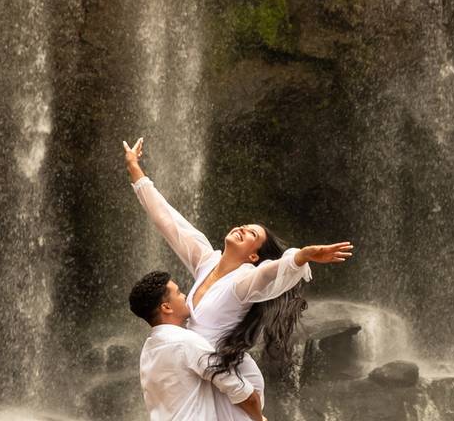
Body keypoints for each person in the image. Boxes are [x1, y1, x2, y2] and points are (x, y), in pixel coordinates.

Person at [123, 137, 353, 421]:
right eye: (244, 225)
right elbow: (169, 223)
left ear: (254, 255)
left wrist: (301, 256)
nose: (243, 229)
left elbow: (270, 271)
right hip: (202, 373)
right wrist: (135, 169)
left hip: (224, 376)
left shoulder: (243, 281)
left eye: (252, 234)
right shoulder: (206, 261)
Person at [129, 269, 264, 421]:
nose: (184, 296)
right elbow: (240, 391)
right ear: (167, 307)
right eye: (178, 293)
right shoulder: (186, 342)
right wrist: (259, 418)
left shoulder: (148, 350)